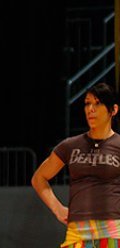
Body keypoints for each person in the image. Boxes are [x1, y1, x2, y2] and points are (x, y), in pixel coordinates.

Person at [31, 82, 120, 245]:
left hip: (113, 233)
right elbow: (39, 178)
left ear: (113, 110)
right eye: (87, 103)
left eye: (98, 103)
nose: (90, 109)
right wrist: (57, 208)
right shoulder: (70, 146)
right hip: (76, 234)